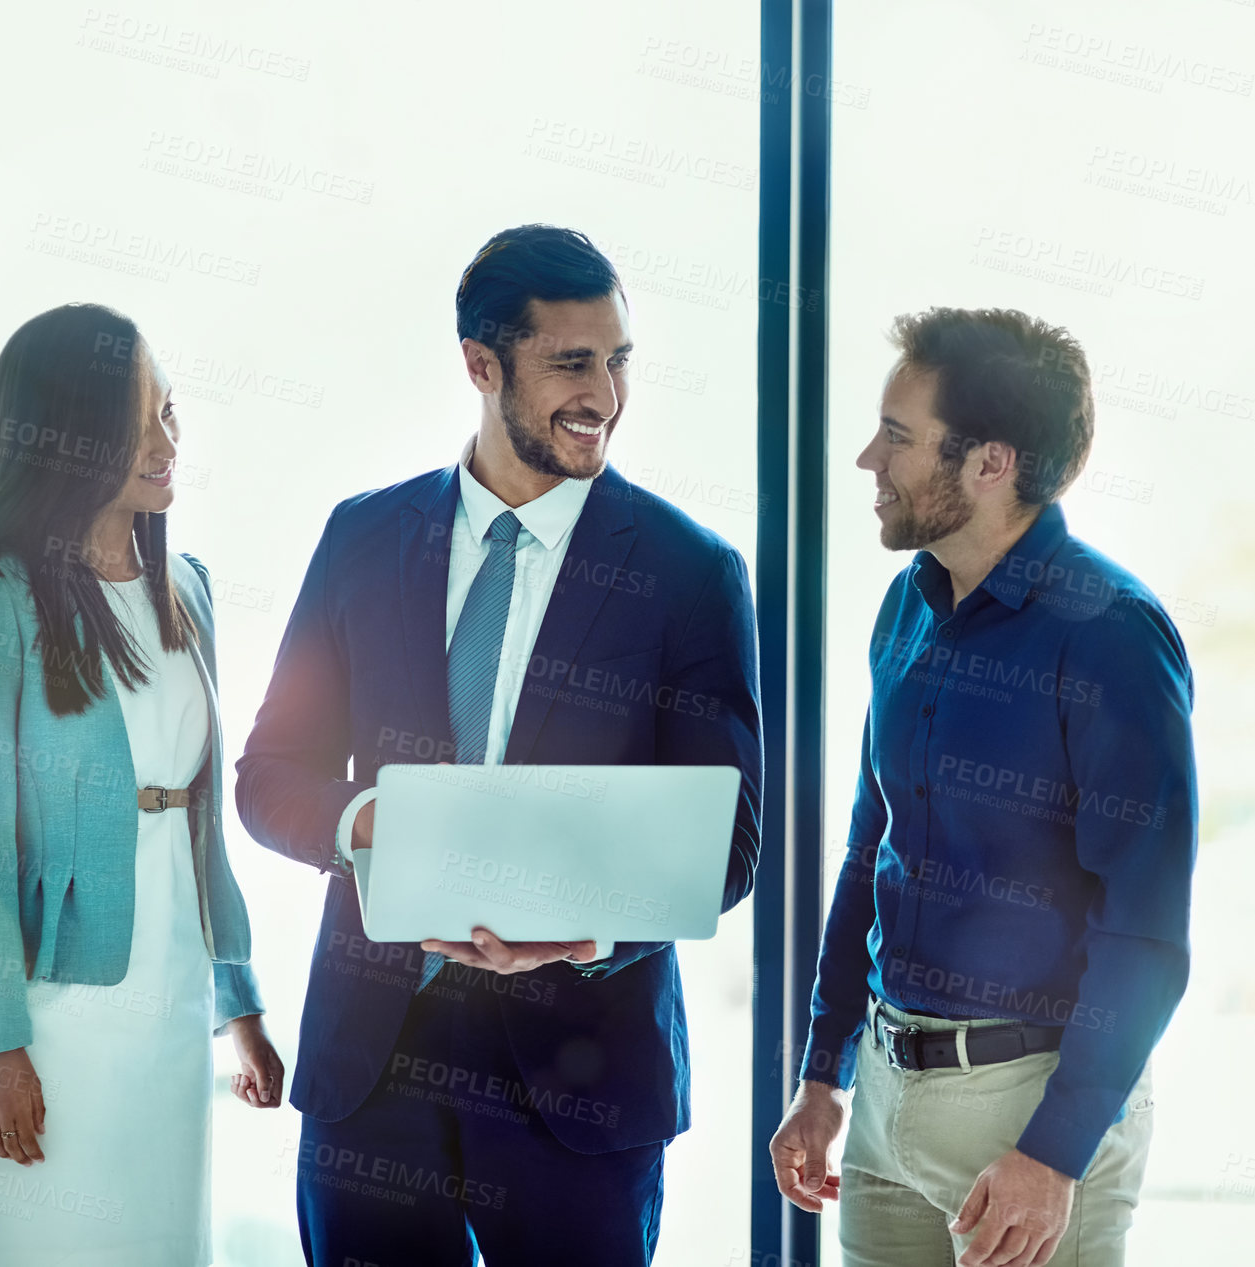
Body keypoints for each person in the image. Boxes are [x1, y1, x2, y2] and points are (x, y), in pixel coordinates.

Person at [235, 224, 763, 1266]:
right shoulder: (361, 539)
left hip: (581, 1078)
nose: (602, 395)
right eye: (571, 363)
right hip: (372, 1067)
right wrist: (365, 821)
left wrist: (582, 931)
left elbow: (728, 846)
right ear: (480, 366)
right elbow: (267, 777)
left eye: (617, 361)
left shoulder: (688, 572)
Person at [769, 307, 1197, 1267]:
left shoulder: (1111, 636)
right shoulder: (907, 601)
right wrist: (824, 1071)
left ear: (990, 463)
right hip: (882, 1097)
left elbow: (1146, 932)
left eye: (898, 436)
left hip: (1028, 1110)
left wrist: (1051, 1155)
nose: (866, 459)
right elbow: (869, 849)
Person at [0, 302, 283, 1266]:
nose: (167, 440)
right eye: (137, 420)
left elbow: (205, 829)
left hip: (168, 1012)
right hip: (46, 1014)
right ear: (70, 433)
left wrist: (238, 1007)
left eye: (169, 412)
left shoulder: (190, 588)